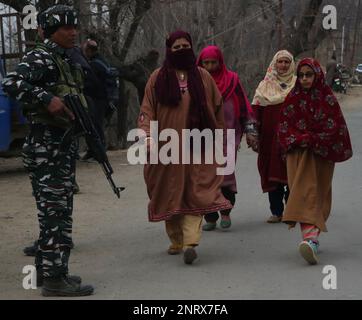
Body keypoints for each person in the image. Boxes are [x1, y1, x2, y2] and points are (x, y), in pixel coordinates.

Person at [2, 5, 94, 296]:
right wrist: (46, 98)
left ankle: (48, 271)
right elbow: (12, 82)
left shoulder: (63, 58)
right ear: (52, 31)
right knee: (55, 214)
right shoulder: (40, 56)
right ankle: (55, 280)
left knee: (54, 212)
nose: (73, 32)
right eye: (66, 28)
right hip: (47, 147)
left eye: (74, 26)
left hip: (59, 145)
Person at [138, 31, 232, 265]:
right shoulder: (157, 78)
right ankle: (176, 239)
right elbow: (147, 110)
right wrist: (147, 137)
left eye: (185, 46)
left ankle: (191, 242)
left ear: (192, 48)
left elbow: (218, 109)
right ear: (169, 50)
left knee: (196, 192)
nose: (181, 49)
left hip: (198, 147)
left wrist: (220, 139)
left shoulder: (202, 77)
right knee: (168, 194)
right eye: (176, 47)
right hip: (165, 149)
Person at [278, 58, 352, 265]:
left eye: (308, 75)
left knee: (317, 194)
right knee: (302, 193)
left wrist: (314, 139)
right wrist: (299, 139)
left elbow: (336, 128)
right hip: (298, 156)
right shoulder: (292, 98)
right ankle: (310, 240)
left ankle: (311, 240)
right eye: (300, 75)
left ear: (317, 75)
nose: (304, 79)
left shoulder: (327, 99)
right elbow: (283, 127)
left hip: (321, 155)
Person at [197, 45, 258, 231]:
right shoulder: (196, 82)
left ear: (220, 62)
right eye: (205, 63)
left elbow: (244, 104)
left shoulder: (232, 80)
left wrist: (250, 130)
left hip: (228, 135)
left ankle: (225, 212)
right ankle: (210, 217)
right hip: (202, 137)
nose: (209, 66)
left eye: (213, 62)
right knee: (205, 177)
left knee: (225, 175)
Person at [251, 50, 297, 223]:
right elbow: (255, 111)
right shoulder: (264, 86)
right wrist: (253, 133)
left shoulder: (298, 84)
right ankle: (277, 211)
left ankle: (292, 211)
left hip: (292, 139)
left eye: (287, 62)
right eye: (280, 62)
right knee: (272, 174)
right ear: (274, 64)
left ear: (291, 64)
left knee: (293, 174)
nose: (283, 65)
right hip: (269, 140)